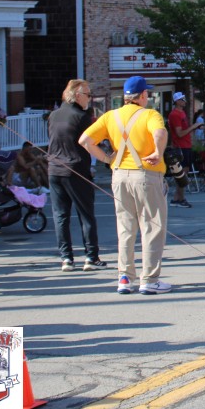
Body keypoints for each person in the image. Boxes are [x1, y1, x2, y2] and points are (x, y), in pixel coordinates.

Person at [79, 76, 171, 295]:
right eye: (147, 93)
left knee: (126, 227)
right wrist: (158, 152)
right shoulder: (150, 115)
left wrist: (106, 159)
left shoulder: (110, 116)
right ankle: (149, 279)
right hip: (146, 174)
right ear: (142, 95)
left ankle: (125, 277)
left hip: (119, 175)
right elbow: (160, 132)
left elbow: (85, 140)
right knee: (152, 227)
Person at [48, 79, 108, 273]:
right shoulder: (82, 117)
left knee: (61, 215)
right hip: (75, 169)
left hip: (54, 169)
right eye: (88, 95)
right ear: (77, 96)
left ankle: (66, 258)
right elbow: (91, 142)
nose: (89, 98)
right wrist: (106, 158)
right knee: (86, 214)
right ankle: (91, 257)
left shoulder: (53, 115)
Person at [167, 92, 200, 208]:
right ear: (177, 101)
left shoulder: (182, 113)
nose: (184, 101)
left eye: (184, 99)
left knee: (184, 173)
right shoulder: (175, 114)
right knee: (181, 174)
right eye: (182, 99)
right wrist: (193, 126)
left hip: (186, 146)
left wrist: (195, 127)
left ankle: (177, 198)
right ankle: (180, 198)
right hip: (180, 147)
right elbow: (179, 133)